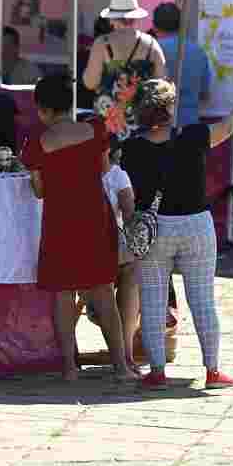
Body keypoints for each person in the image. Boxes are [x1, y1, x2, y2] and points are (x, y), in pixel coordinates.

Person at [122, 78, 233, 390]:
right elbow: (228, 128)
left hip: (153, 230)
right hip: (195, 225)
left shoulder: (132, 147)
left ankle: (157, 372)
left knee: (151, 302)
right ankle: (213, 370)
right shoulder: (193, 136)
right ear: (170, 108)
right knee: (202, 300)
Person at [21, 74, 137, 383]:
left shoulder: (37, 144)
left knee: (63, 295)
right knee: (103, 295)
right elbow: (102, 169)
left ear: (42, 109)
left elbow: (39, 191)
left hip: (59, 223)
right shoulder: (96, 129)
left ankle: (69, 368)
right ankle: (122, 367)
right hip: (95, 219)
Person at [83, 0, 167, 141]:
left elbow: (90, 83)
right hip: (142, 129)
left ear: (112, 19)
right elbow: (162, 88)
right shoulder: (152, 45)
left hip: (108, 126)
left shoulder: (102, 44)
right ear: (135, 18)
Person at [101, 138, 139, 371]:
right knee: (131, 271)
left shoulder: (117, 175)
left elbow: (129, 215)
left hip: (103, 246)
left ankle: (125, 352)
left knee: (130, 268)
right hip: (98, 248)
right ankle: (125, 353)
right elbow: (129, 214)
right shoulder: (117, 175)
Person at [152, 2, 212, 127]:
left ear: (154, 26)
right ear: (181, 25)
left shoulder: (150, 51)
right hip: (189, 127)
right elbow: (205, 94)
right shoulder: (199, 52)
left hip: (157, 129)